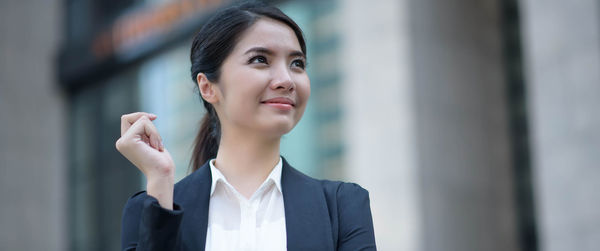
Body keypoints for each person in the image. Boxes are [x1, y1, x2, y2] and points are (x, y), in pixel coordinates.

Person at [116, 2, 376, 251]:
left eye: (297, 64)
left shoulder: (342, 206)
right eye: (260, 59)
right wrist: (161, 182)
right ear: (208, 87)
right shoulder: (151, 208)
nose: (286, 80)